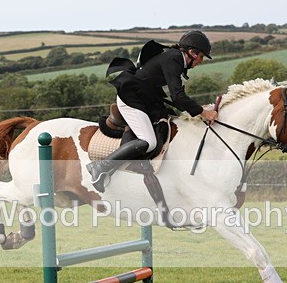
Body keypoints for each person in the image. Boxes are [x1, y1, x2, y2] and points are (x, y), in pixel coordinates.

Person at [87, 30, 219, 192]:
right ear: (192, 52)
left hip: (144, 99)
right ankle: (101, 166)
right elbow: (178, 96)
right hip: (131, 99)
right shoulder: (174, 58)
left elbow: (175, 99)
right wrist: (203, 112)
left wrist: (199, 109)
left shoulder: (174, 57)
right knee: (149, 142)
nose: (201, 61)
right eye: (201, 56)